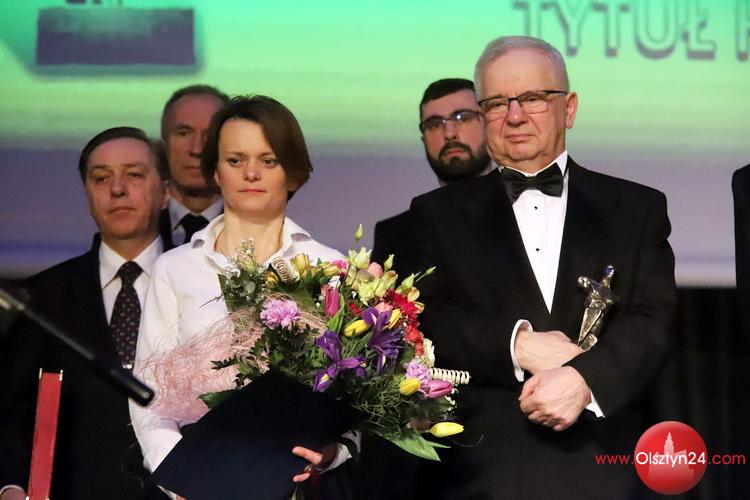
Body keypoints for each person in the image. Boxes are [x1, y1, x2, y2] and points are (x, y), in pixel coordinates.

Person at [407, 36, 676, 499]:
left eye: (532, 97)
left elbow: (652, 320)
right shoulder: (434, 215)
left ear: (568, 109)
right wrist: (518, 344)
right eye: (497, 103)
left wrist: (585, 380)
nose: (514, 116)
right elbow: (425, 320)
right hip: (479, 470)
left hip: (605, 463)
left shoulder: (635, 207)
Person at [130, 96, 353, 497]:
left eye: (268, 160)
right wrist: (183, 480)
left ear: (293, 173)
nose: (251, 173)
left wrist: (333, 451)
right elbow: (149, 397)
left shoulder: (329, 267)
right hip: (195, 482)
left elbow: (356, 393)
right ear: (215, 172)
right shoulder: (175, 269)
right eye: (235, 160)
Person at [0, 127, 169, 500]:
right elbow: (10, 414)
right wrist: (10, 487)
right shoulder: (42, 299)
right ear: (88, 195)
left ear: (166, 193)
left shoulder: (200, 283)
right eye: (101, 178)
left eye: (134, 174)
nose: (117, 189)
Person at [371, 78, 492, 268]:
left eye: (463, 118)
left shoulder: (525, 207)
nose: (449, 133)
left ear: (488, 123)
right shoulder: (395, 235)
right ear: (423, 139)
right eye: (435, 124)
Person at [158, 84, 230, 248]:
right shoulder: (137, 225)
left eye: (210, 135)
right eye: (183, 133)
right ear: (164, 147)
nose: (197, 149)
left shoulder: (260, 229)